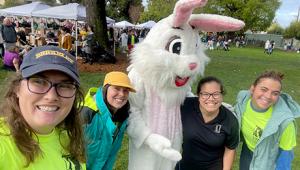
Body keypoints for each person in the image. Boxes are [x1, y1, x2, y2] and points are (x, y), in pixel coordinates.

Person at [0, 46, 86, 169]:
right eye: (39, 82)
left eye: (65, 85)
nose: (51, 96)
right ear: (17, 88)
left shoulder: (68, 138)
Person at [234, 70, 300, 170]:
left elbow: (285, 158)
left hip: (267, 162)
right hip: (247, 153)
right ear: (252, 89)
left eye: (275, 93)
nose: (268, 96)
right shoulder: (243, 99)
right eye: (264, 89)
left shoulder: (285, 123)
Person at [176, 76, 239, 170]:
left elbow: (230, 149)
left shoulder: (230, 120)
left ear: (222, 95)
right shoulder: (186, 106)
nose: (211, 98)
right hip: (185, 167)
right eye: (205, 94)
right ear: (198, 95)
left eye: (216, 94)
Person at [82, 71, 136, 170]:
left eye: (126, 90)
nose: (122, 94)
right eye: (117, 88)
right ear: (105, 89)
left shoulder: (122, 116)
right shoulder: (87, 114)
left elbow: (110, 153)